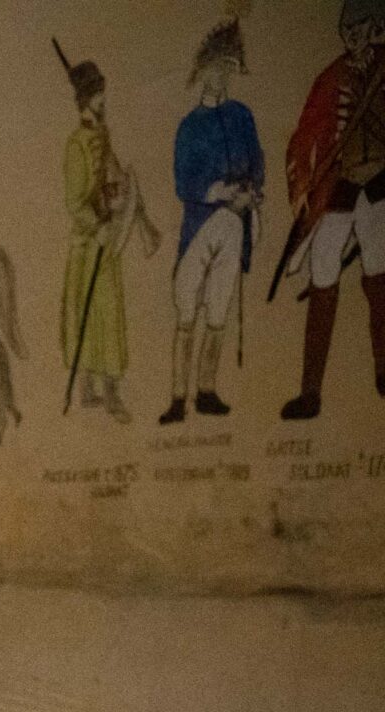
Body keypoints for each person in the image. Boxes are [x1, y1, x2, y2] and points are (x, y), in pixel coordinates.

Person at [277, 0, 385, 420]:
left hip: (380, 189)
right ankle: (310, 394)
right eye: (348, 30)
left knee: (379, 278)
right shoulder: (331, 79)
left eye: (362, 28)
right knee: (323, 275)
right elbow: (304, 137)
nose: (354, 37)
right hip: (339, 189)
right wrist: (301, 185)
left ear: (375, 26)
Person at [164, 18, 263, 424]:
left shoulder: (242, 115)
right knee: (187, 310)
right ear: (202, 70)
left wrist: (251, 193)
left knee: (218, 310)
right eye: (215, 67)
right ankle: (176, 397)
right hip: (200, 226)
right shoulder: (189, 127)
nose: (221, 75)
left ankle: (206, 391)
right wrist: (217, 191)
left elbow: (257, 162)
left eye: (228, 67)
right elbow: (183, 181)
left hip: (234, 224)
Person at [60, 47, 157, 421]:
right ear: (87, 99)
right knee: (91, 318)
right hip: (89, 245)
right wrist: (98, 226)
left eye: (103, 93)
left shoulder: (104, 135)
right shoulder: (76, 144)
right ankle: (89, 390)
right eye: (99, 94)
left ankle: (112, 391)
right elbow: (73, 201)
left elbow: (111, 179)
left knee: (110, 317)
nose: (104, 100)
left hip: (108, 240)